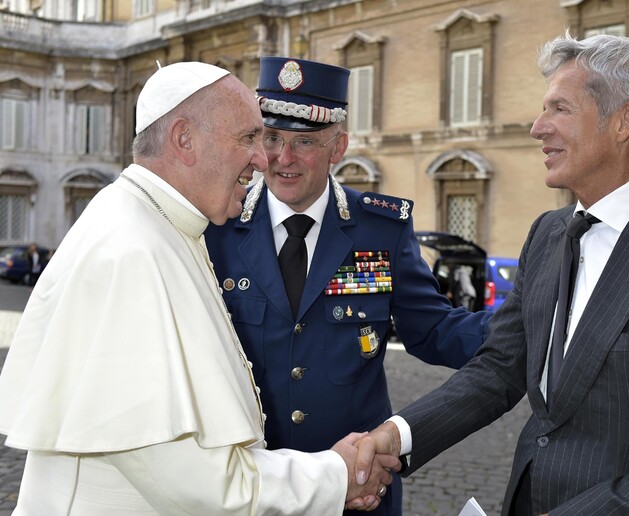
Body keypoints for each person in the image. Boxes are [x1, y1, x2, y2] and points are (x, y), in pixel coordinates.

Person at [354, 32, 629, 515]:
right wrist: (397, 435)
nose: (537, 127)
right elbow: (498, 369)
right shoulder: (548, 233)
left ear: (624, 121)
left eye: (559, 109)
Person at [0, 61, 398, 514]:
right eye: (249, 138)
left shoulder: (160, 226)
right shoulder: (132, 252)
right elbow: (197, 484)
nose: (263, 159)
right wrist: (334, 474)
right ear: (184, 139)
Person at [204, 57, 491, 516]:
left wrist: (533, 321)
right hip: (253, 490)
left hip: (358, 490)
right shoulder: (218, 227)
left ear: (339, 147)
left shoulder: (380, 228)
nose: (283, 158)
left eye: (305, 142)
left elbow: (434, 330)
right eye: (272, 138)